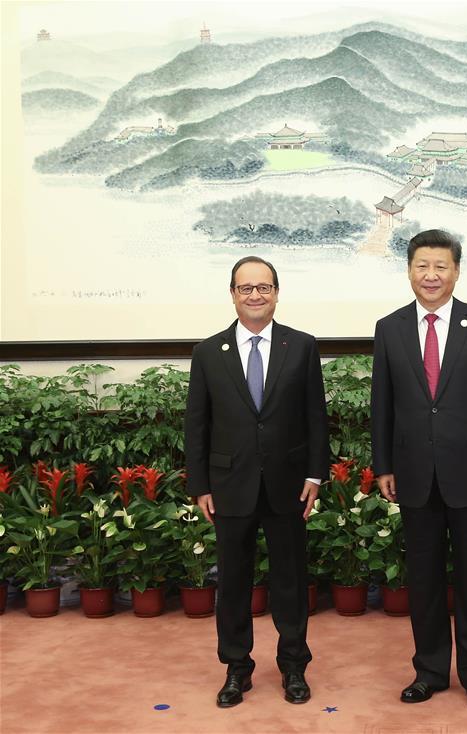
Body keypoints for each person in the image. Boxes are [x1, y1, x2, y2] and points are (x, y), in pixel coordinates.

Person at [370, 229, 467, 712]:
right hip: (414, 472)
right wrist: (384, 466)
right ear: (409, 270)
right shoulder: (389, 328)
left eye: (441, 266)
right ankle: (430, 671)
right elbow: (382, 406)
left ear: (456, 271)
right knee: (424, 579)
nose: (431, 275)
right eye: (422, 266)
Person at [184, 256, 329, 708]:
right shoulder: (209, 352)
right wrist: (200, 486)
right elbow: (197, 425)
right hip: (229, 485)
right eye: (245, 288)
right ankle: (236, 668)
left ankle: (293, 667)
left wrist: (315, 474)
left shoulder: (300, 346)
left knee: (290, 580)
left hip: (288, 483)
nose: (254, 295)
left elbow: (315, 417)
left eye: (263, 287)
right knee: (233, 582)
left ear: (277, 293)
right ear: (232, 294)